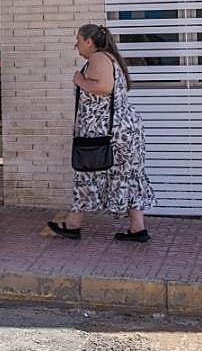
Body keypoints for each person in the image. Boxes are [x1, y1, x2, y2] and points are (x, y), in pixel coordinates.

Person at [48, 23, 155, 242]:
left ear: (89, 42)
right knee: (127, 177)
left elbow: (103, 87)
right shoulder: (110, 58)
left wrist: (79, 79)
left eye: (78, 40)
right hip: (123, 132)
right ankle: (138, 229)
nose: (75, 45)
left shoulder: (98, 58)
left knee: (88, 173)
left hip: (109, 135)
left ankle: (73, 224)